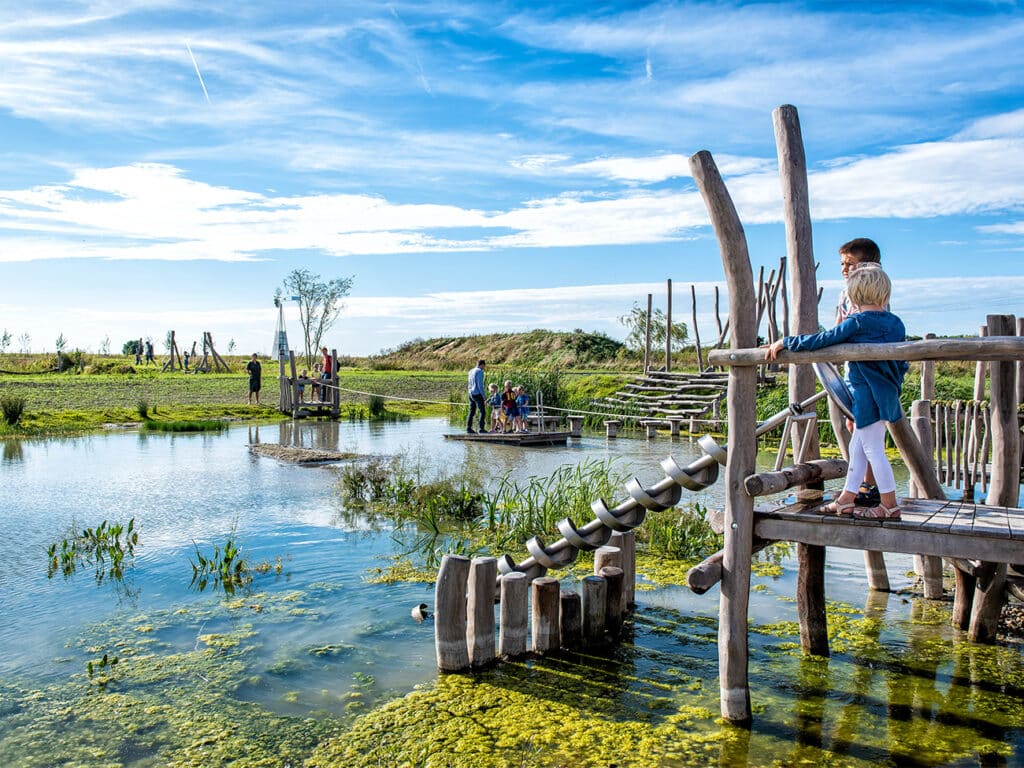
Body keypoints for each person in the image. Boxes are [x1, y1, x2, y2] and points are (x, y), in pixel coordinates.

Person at [765, 265, 906, 520]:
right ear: (884, 295)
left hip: (865, 396)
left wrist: (787, 342)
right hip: (886, 394)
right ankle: (846, 499)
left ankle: (889, 504)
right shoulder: (896, 324)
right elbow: (901, 362)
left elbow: (823, 340)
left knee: (873, 449)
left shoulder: (857, 322)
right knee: (858, 448)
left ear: (852, 296)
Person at [836, 237, 885, 507]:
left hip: (865, 369)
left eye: (850, 263)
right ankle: (859, 485)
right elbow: (839, 325)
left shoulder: (872, 293)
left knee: (865, 428)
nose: (844, 268)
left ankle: (869, 485)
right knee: (854, 424)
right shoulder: (845, 292)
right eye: (842, 264)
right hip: (850, 367)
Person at [466, 359, 487, 433]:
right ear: (482, 365)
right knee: (482, 411)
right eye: (484, 366)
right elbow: (480, 385)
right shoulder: (479, 371)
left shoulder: (470, 371)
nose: (484, 368)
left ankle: (468, 428)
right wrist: (484, 395)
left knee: (471, 411)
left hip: (470, 393)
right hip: (477, 393)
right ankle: (481, 429)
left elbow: (469, 383)